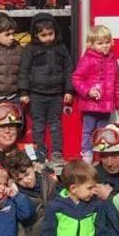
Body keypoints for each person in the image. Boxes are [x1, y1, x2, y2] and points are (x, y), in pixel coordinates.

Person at [18, 12, 74, 164]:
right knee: (38, 125)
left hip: (56, 94)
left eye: (51, 34)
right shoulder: (30, 49)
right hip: (36, 94)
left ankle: (56, 152)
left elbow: (69, 70)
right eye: (44, 35)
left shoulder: (61, 48)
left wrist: (69, 90)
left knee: (56, 125)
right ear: (36, 35)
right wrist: (23, 92)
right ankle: (40, 152)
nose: (48, 38)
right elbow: (24, 70)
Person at [71, 25, 119, 163]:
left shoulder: (112, 59)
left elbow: (117, 82)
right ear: (92, 44)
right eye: (100, 43)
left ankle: (100, 154)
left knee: (102, 131)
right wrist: (88, 91)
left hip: (106, 105)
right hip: (90, 104)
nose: (104, 46)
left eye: (107, 42)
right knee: (88, 130)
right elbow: (76, 78)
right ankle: (87, 153)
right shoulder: (88, 59)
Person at [90, 125, 119, 200]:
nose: (109, 163)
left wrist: (110, 196)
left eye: (114, 156)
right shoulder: (91, 175)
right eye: (104, 156)